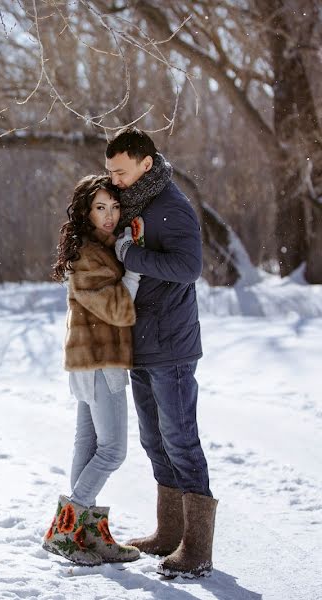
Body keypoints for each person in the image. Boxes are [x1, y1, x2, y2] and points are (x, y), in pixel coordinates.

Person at [105, 126, 217, 578]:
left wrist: (131, 257)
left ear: (145, 164)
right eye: (109, 171)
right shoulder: (137, 203)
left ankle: (197, 550)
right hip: (141, 344)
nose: (113, 179)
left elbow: (190, 268)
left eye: (121, 170)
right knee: (154, 441)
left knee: (181, 440)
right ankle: (168, 533)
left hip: (171, 345)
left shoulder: (172, 207)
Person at [41, 175, 142, 566]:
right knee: (113, 450)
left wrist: (123, 250)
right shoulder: (87, 254)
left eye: (114, 207)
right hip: (101, 361)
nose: (109, 215)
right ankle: (64, 531)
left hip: (92, 361)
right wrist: (132, 264)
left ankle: (89, 536)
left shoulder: (102, 248)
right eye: (100, 207)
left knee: (87, 448)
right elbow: (117, 309)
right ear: (86, 211)